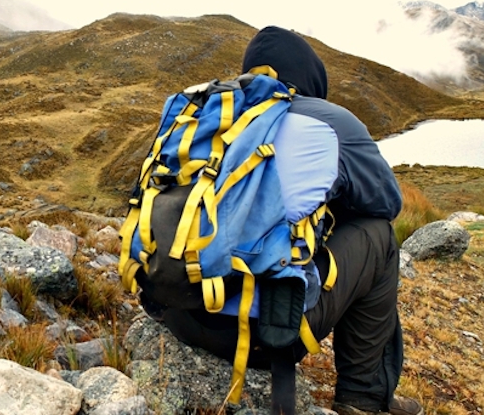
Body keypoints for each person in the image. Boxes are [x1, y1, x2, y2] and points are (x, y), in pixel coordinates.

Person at [142, 26, 422, 415]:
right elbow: (385, 204)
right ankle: (364, 395)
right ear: (310, 77)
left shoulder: (209, 113)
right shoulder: (330, 122)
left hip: (176, 313)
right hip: (263, 337)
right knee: (379, 237)